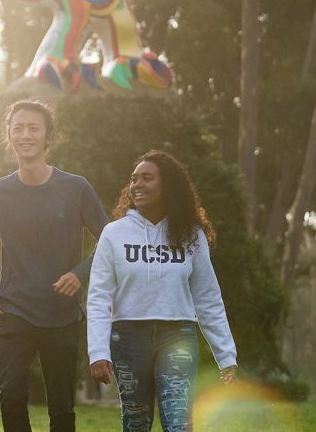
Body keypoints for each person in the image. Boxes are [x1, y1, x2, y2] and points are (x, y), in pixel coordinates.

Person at [0, 99, 109, 432]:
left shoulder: (76, 188)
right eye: (18, 128)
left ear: (48, 136)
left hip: (61, 313)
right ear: (9, 135)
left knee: (62, 409)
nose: (25, 134)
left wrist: (80, 274)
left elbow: (110, 241)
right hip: (14, 310)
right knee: (12, 397)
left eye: (33, 128)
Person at [86, 150, 238, 432]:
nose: (137, 185)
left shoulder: (192, 235)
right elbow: (98, 296)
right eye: (134, 179)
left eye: (147, 178)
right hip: (128, 338)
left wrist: (226, 353)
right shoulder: (114, 234)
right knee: (136, 424)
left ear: (168, 185)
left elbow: (208, 298)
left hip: (177, 336)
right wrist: (98, 350)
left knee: (179, 423)